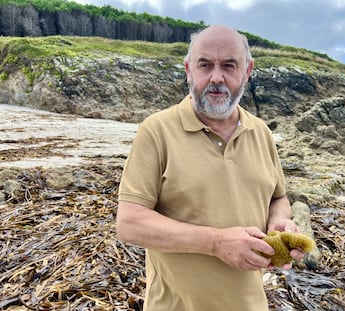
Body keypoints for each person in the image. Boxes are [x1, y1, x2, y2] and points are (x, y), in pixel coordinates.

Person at [116, 25, 303, 311]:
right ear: (189, 70)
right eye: (205, 65)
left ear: (248, 70)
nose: (217, 78)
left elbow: (278, 197)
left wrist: (279, 223)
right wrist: (215, 242)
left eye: (229, 65)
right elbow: (129, 223)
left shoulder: (261, 132)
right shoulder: (156, 131)